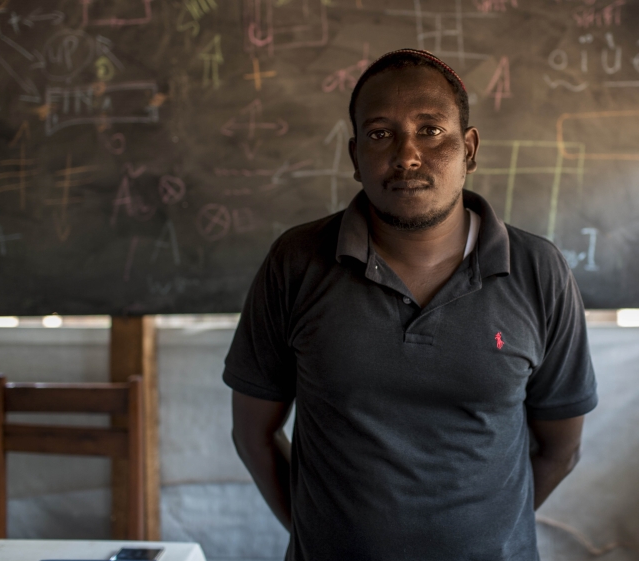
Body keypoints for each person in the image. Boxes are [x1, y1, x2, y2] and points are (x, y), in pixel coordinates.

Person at [224, 49, 597, 560]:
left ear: (468, 149)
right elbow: (253, 435)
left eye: (430, 130)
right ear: (355, 157)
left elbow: (561, 448)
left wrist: (490, 534)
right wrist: (319, 535)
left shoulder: (537, 270)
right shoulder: (297, 262)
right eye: (381, 134)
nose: (407, 155)